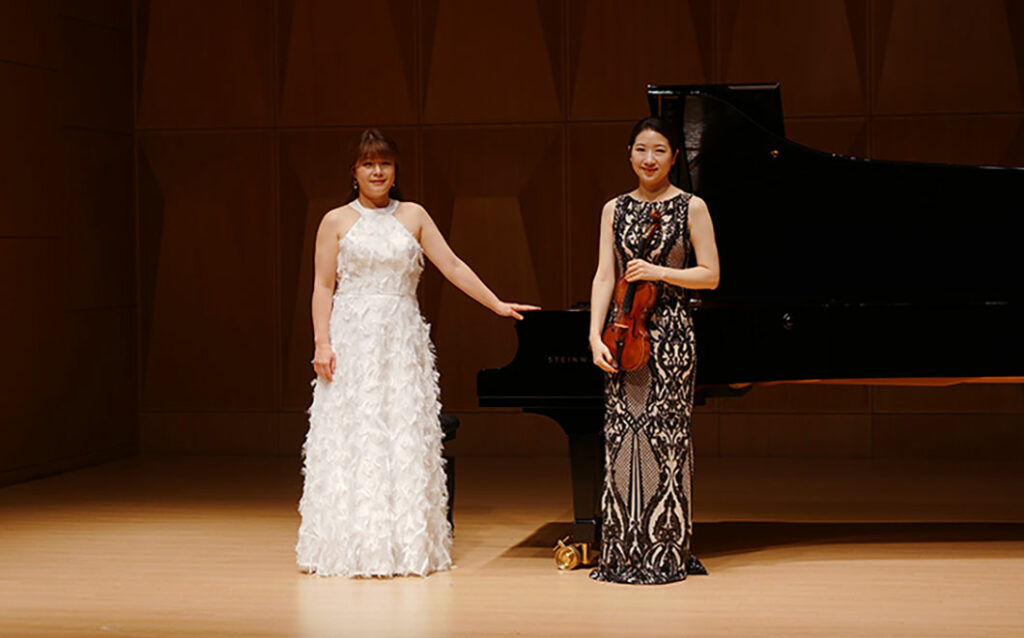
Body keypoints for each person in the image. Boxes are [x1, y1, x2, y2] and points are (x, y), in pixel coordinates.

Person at [297, 129, 538, 577]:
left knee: (401, 435)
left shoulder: (414, 215)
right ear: (353, 171)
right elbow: (323, 286)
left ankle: (403, 546)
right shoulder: (334, 221)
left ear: (395, 170)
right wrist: (322, 343)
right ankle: (350, 545)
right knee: (356, 436)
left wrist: (497, 304)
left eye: (385, 163)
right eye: (368, 164)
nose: (377, 171)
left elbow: (453, 266)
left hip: (401, 340)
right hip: (353, 339)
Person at [588, 117, 720, 585]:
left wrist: (661, 273)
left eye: (659, 150)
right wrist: (593, 333)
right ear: (629, 153)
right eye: (641, 149)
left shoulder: (692, 207)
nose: (649, 159)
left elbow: (710, 274)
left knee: (667, 440)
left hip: (672, 334)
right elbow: (606, 274)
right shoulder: (614, 209)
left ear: (675, 157)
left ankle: (666, 551)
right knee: (623, 438)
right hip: (622, 334)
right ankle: (623, 552)